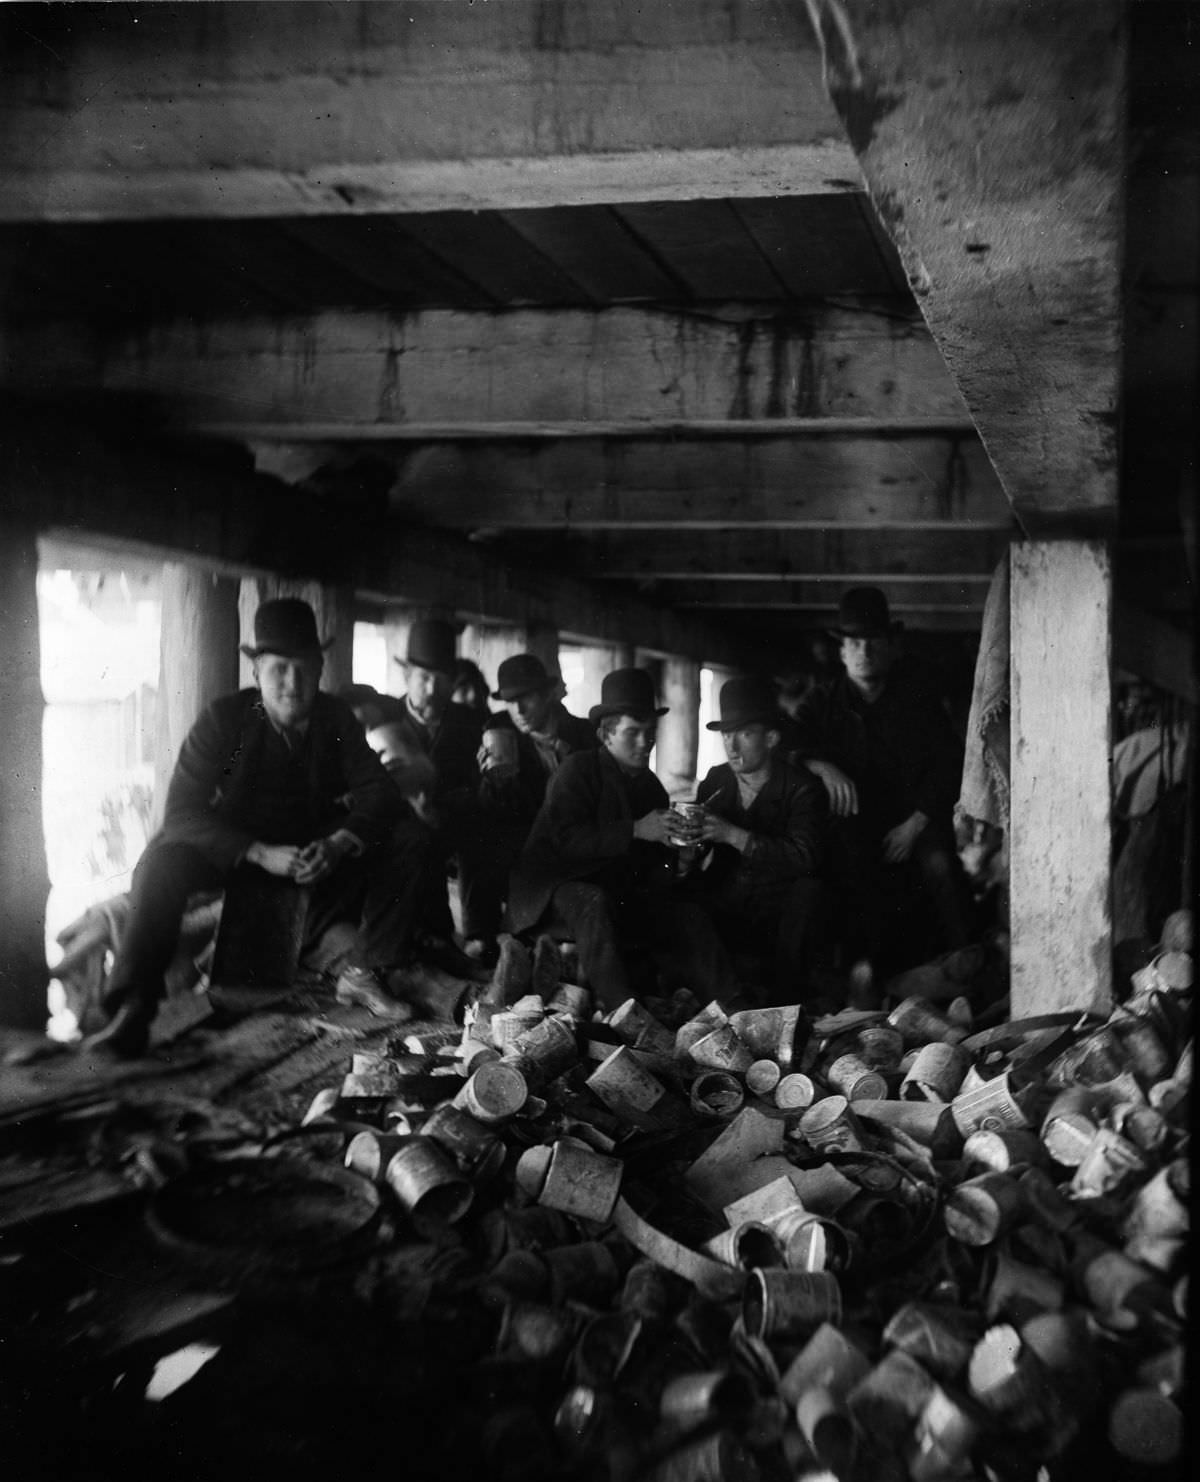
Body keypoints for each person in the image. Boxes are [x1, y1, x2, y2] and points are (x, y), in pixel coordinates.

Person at [85, 599, 430, 1057]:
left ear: (320, 667)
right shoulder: (222, 720)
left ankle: (365, 971)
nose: (293, 683)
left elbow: (379, 793)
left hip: (312, 859)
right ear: (256, 671)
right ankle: (134, 1008)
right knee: (161, 861)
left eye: (304, 668)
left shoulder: (335, 719)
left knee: (407, 834)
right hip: (236, 854)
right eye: (279, 670)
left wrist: (337, 844)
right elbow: (182, 812)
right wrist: (256, 851)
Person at [508, 667, 734, 1010]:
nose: (645, 742)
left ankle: (732, 1004)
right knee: (592, 900)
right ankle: (622, 1010)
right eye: (633, 733)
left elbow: (651, 868)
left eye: (650, 732)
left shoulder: (650, 787)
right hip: (552, 890)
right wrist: (635, 829)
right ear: (605, 735)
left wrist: (681, 860)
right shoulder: (577, 770)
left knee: (686, 913)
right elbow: (564, 842)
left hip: (612, 893)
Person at [789, 586, 970, 977]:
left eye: (873, 643)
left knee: (939, 866)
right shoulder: (821, 702)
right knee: (835, 880)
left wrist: (917, 822)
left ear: (890, 647)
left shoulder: (919, 701)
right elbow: (788, 743)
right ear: (841, 652)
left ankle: (966, 956)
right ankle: (849, 979)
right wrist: (820, 765)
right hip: (850, 826)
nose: (864, 653)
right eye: (854, 644)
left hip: (912, 822)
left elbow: (950, 763)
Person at [685, 676, 827, 1004]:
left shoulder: (801, 787)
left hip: (779, 908)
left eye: (745, 734)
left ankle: (787, 1002)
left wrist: (733, 835)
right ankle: (724, 998)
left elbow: (805, 856)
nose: (732, 747)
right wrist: (686, 849)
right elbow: (701, 851)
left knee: (811, 892)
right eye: (726, 735)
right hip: (729, 901)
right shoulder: (716, 779)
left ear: (772, 738)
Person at [388, 618, 499, 958]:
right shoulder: (386, 719)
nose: (432, 689)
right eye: (423, 678)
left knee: (483, 832)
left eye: (441, 680)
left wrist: (445, 808)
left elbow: (476, 785)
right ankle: (424, 937)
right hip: (398, 821)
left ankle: (480, 935)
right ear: (407, 676)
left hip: (451, 816)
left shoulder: (469, 724)